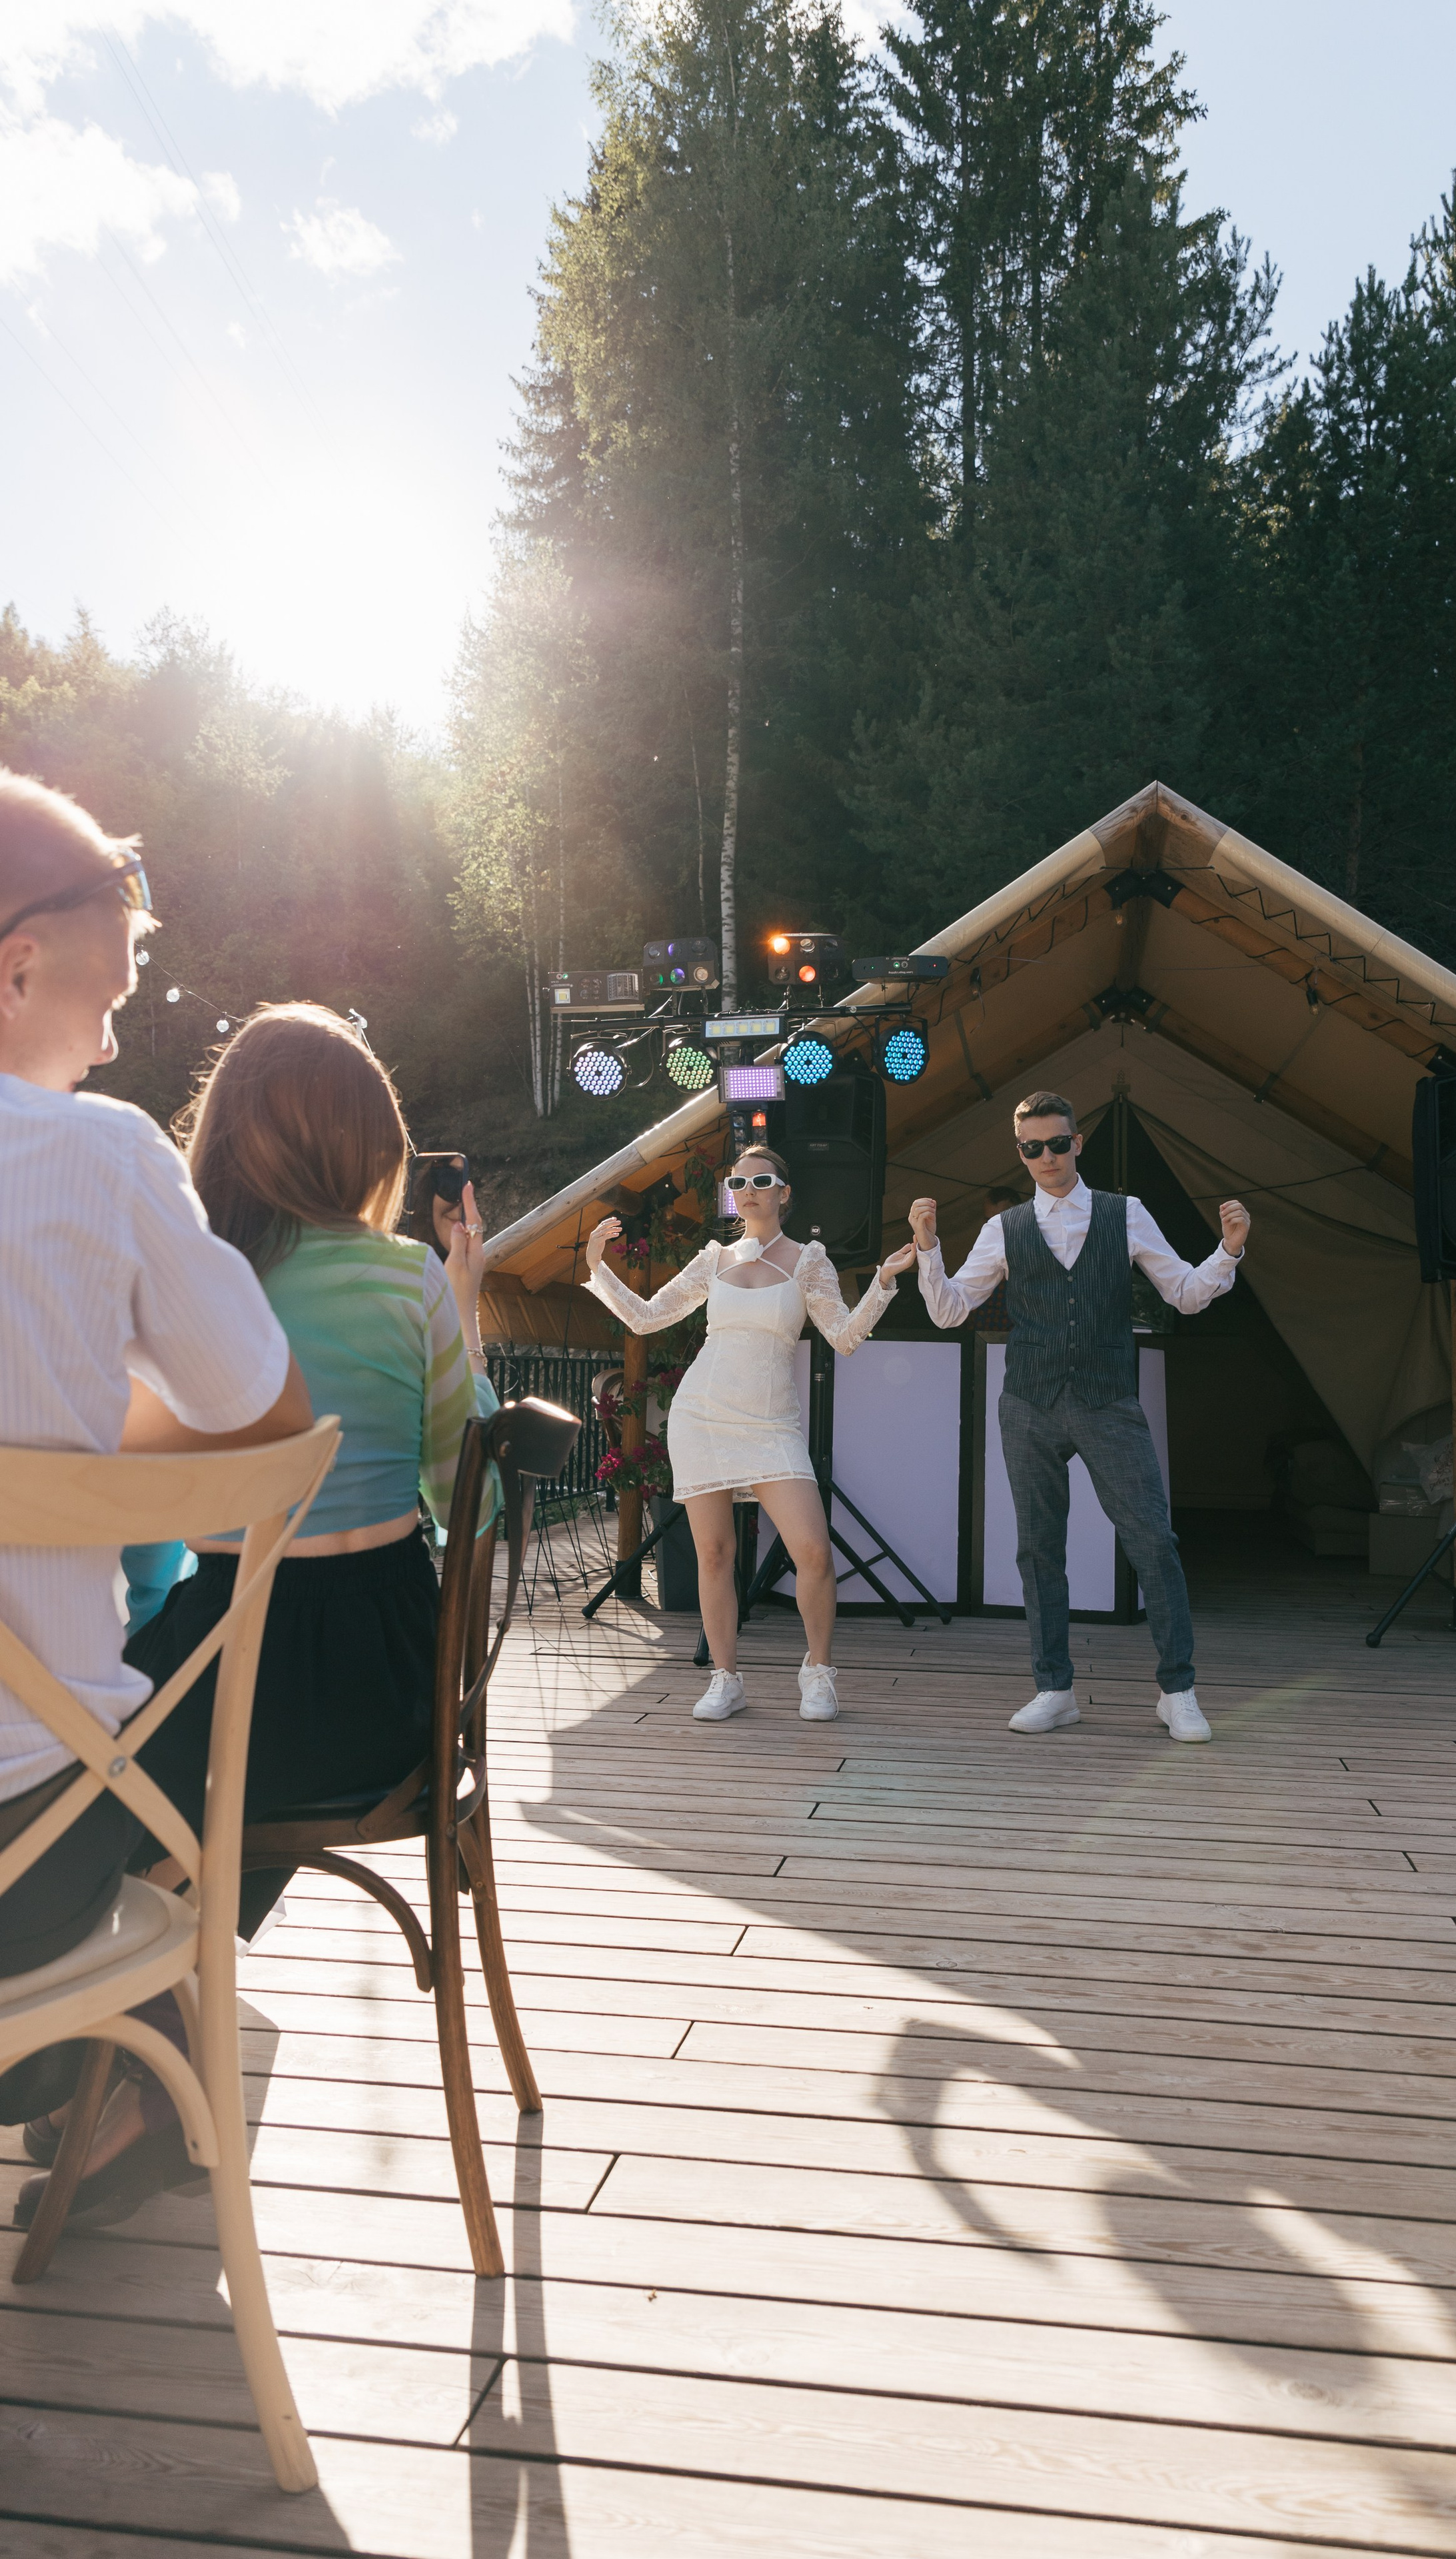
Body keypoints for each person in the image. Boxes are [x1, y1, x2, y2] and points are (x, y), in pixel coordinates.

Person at [15, 1003, 498, 2232]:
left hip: (231, 1669)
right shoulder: (411, 1283)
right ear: (373, 1148)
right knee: (183, 1805)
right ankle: (127, 2081)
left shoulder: (200, 1294)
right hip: (394, 1696)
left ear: (225, 1142)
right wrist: (466, 1303)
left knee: (94, 1797)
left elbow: (138, 1509)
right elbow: (466, 1480)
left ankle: (110, 2072)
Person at [0, 769, 312, 2212]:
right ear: (18, 965)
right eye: (113, 988)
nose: (123, 1029)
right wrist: (73, 1474)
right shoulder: (97, 1152)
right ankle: (110, 2083)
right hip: (23, 1873)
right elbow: (271, 1428)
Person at [910, 1090, 1250, 1739]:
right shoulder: (1002, 1228)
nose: (1047, 1156)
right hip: (1029, 1403)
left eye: (1057, 1143)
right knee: (1039, 1550)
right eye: (1032, 1147)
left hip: (1106, 1399)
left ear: (1077, 1143)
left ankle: (1177, 1690)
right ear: (1020, 1152)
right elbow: (950, 1309)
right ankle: (1053, 1687)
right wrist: (928, 1247)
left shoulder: (1125, 1214)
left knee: (1152, 1539)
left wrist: (1228, 1249)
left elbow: (1182, 1293)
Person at [584, 1145, 914, 1721]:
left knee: (812, 1550)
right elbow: (644, 1317)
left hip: (771, 1423)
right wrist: (596, 1264)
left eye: (762, 1180)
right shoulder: (714, 1259)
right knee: (713, 1553)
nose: (749, 1188)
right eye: (738, 1181)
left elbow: (844, 1336)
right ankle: (725, 1678)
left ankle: (817, 1672)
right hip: (702, 1416)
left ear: (784, 1192)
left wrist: (883, 1282)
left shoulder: (810, 1260)